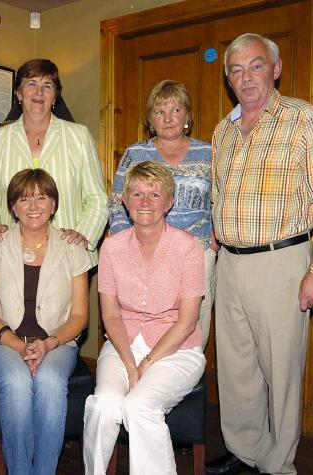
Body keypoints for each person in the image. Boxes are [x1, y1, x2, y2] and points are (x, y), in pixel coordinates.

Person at [206, 33, 313, 475]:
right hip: (228, 263)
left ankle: (277, 464)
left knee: (280, 373)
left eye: (256, 66)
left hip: (280, 262)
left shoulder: (303, 118)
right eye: (236, 69)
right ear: (228, 79)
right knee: (236, 371)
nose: (246, 77)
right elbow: (219, 194)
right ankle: (245, 453)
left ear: (276, 68)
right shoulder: (222, 130)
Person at [83, 160, 205, 475]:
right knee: (104, 406)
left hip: (177, 350)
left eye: (154, 194)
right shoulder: (110, 248)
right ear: (125, 201)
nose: (145, 202)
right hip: (124, 343)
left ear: (169, 202)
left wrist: (147, 363)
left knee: (139, 407)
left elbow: (187, 321)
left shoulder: (190, 248)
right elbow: (109, 314)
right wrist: (127, 362)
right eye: (137, 194)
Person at [0, 168, 92, 475]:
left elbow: (79, 316)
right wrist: (18, 345)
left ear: (54, 204)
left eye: (42, 197)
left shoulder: (73, 248)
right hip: (1, 341)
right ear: (13, 206)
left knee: (51, 383)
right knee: (16, 383)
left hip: (57, 342)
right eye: (24, 198)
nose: (34, 205)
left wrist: (49, 343)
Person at [108, 79, 217, 350]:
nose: (168, 118)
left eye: (176, 110)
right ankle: (143, 375)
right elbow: (116, 202)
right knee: (145, 325)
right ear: (150, 119)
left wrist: (215, 240)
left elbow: (222, 201)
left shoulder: (208, 153)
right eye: (159, 112)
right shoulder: (136, 153)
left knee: (192, 330)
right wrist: (126, 247)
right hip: (145, 254)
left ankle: (184, 383)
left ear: (187, 116)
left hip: (197, 253)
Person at [0, 58, 107, 258]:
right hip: (11, 253)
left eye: (47, 86)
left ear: (55, 97)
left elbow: (97, 199)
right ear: (19, 93)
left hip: (68, 255)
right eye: (31, 84)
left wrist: (83, 236)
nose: (39, 92)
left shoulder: (79, 136)